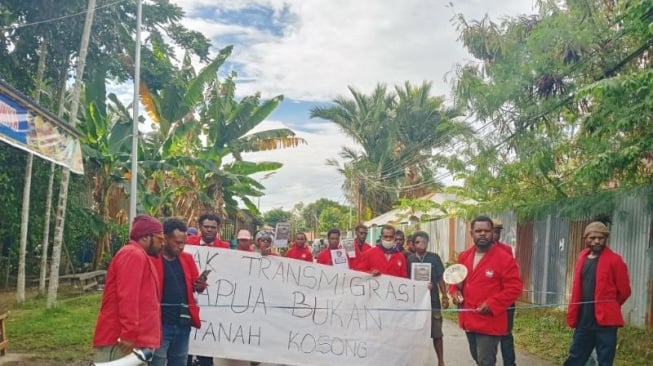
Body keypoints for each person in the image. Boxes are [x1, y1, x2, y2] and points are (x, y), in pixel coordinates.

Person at [449, 215, 522, 366]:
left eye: (487, 231)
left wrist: (493, 303)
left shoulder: (504, 258)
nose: (482, 234)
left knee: (485, 361)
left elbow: (514, 288)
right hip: (468, 318)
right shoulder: (464, 256)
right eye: (478, 231)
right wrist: (455, 292)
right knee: (477, 357)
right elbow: (455, 280)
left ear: (492, 233)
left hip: (489, 321)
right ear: (471, 233)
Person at [92, 215, 164, 363]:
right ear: (145, 237)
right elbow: (128, 297)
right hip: (121, 342)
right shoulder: (133, 254)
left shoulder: (138, 255)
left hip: (132, 342)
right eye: (159, 238)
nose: (162, 244)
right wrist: (128, 334)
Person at [563, 221, 631, 366]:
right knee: (575, 358)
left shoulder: (615, 260)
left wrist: (609, 305)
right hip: (584, 321)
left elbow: (625, 291)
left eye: (600, 238)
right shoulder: (582, 257)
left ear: (605, 239)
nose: (596, 241)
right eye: (592, 238)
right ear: (586, 239)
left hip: (606, 324)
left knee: (605, 361)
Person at [151, 218, 208, 366]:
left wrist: (200, 285)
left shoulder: (187, 259)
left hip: (183, 324)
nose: (181, 247)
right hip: (160, 325)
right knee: (157, 362)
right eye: (177, 243)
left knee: (179, 362)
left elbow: (198, 288)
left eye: (184, 243)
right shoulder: (153, 259)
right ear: (165, 238)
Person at [407, 231, 448, 366]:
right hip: (416, 303)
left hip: (433, 301)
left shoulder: (434, 258)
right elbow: (405, 281)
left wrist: (445, 296)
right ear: (413, 244)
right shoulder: (410, 259)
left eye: (424, 242)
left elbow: (440, 279)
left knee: (437, 333)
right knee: (417, 334)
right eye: (418, 242)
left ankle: (441, 360)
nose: (421, 245)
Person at [492, 220, 516, 366]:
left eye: (498, 231)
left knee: (506, 334)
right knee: (488, 337)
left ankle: (510, 363)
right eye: (494, 231)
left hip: (505, 299)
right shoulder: (478, 251)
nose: (496, 235)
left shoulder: (506, 249)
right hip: (487, 300)